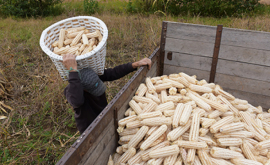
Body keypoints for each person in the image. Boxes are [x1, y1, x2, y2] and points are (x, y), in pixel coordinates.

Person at [62, 54, 151, 134]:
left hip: (103, 115)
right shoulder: (72, 92)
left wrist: (134, 65)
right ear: (83, 89)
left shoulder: (91, 75)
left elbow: (113, 73)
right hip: (89, 128)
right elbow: (76, 101)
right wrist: (72, 71)